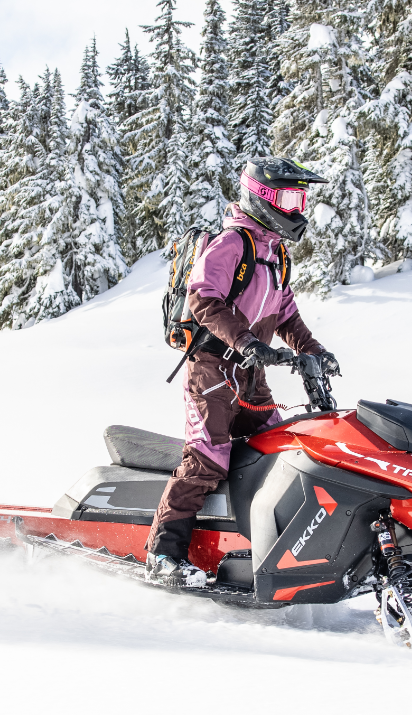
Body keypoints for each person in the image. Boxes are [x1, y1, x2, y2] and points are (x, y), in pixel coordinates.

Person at [145, 157, 340, 586]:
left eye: (301, 198)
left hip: (252, 375)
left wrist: (315, 351)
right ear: (263, 197)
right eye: (291, 197)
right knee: (206, 461)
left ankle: (258, 544)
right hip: (213, 372)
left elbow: (285, 312)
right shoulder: (233, 244)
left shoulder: (275, 253)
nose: (298, 207)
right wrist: (245, 341)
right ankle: (163, 555)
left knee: (279, 449)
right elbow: (202, 297)